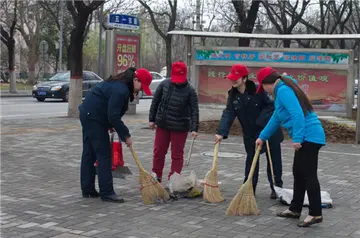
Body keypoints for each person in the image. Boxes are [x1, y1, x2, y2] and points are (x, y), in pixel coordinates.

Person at [255, 66, 325, 227]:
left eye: (263, 87)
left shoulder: (284, 91)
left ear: (267, 83)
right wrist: (262, 137)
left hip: (310, 136)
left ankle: (315, 213)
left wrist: (298, 138)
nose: (264, 91)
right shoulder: (281, 92)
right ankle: (295, 209)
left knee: (308, 174)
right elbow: (276, 117)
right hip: (307, 136)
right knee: (298, 173)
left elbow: (297, 114)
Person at [79, 67, 152, 203]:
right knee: (104, 154)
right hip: (93, 117)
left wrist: (110, 125)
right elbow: (113, 115)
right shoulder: (121, 90)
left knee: (89, 152)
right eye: (141, 87)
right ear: (135, 80)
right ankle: (107, 193)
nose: (140, 91)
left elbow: (110, 111)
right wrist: (126, 135)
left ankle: (87, 189)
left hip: (88, 112)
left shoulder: (121, 85)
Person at [215, 64, 284, 198]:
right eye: (231, 78)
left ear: (245, 79)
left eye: (236, 78)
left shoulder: (260, 90)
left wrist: (260, 123)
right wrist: (221, 132)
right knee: (251, 160)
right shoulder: (233, 95)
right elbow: (228, 113)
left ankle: (277, 188)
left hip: (269, 131)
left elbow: (272, 107)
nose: (233, 80)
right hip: (250, 134)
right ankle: (249, 187)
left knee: (274, 162)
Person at [149, 61, 199, 183]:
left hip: (180, 127)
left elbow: (194, 110)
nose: (177, 81)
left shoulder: (190, 90)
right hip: (163, 124)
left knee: (177, 155)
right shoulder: (164, 84)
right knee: (159, 151)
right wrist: (152, 119)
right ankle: (156, 176)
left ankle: (174, 179)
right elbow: (155, 102)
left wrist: (194, 128)